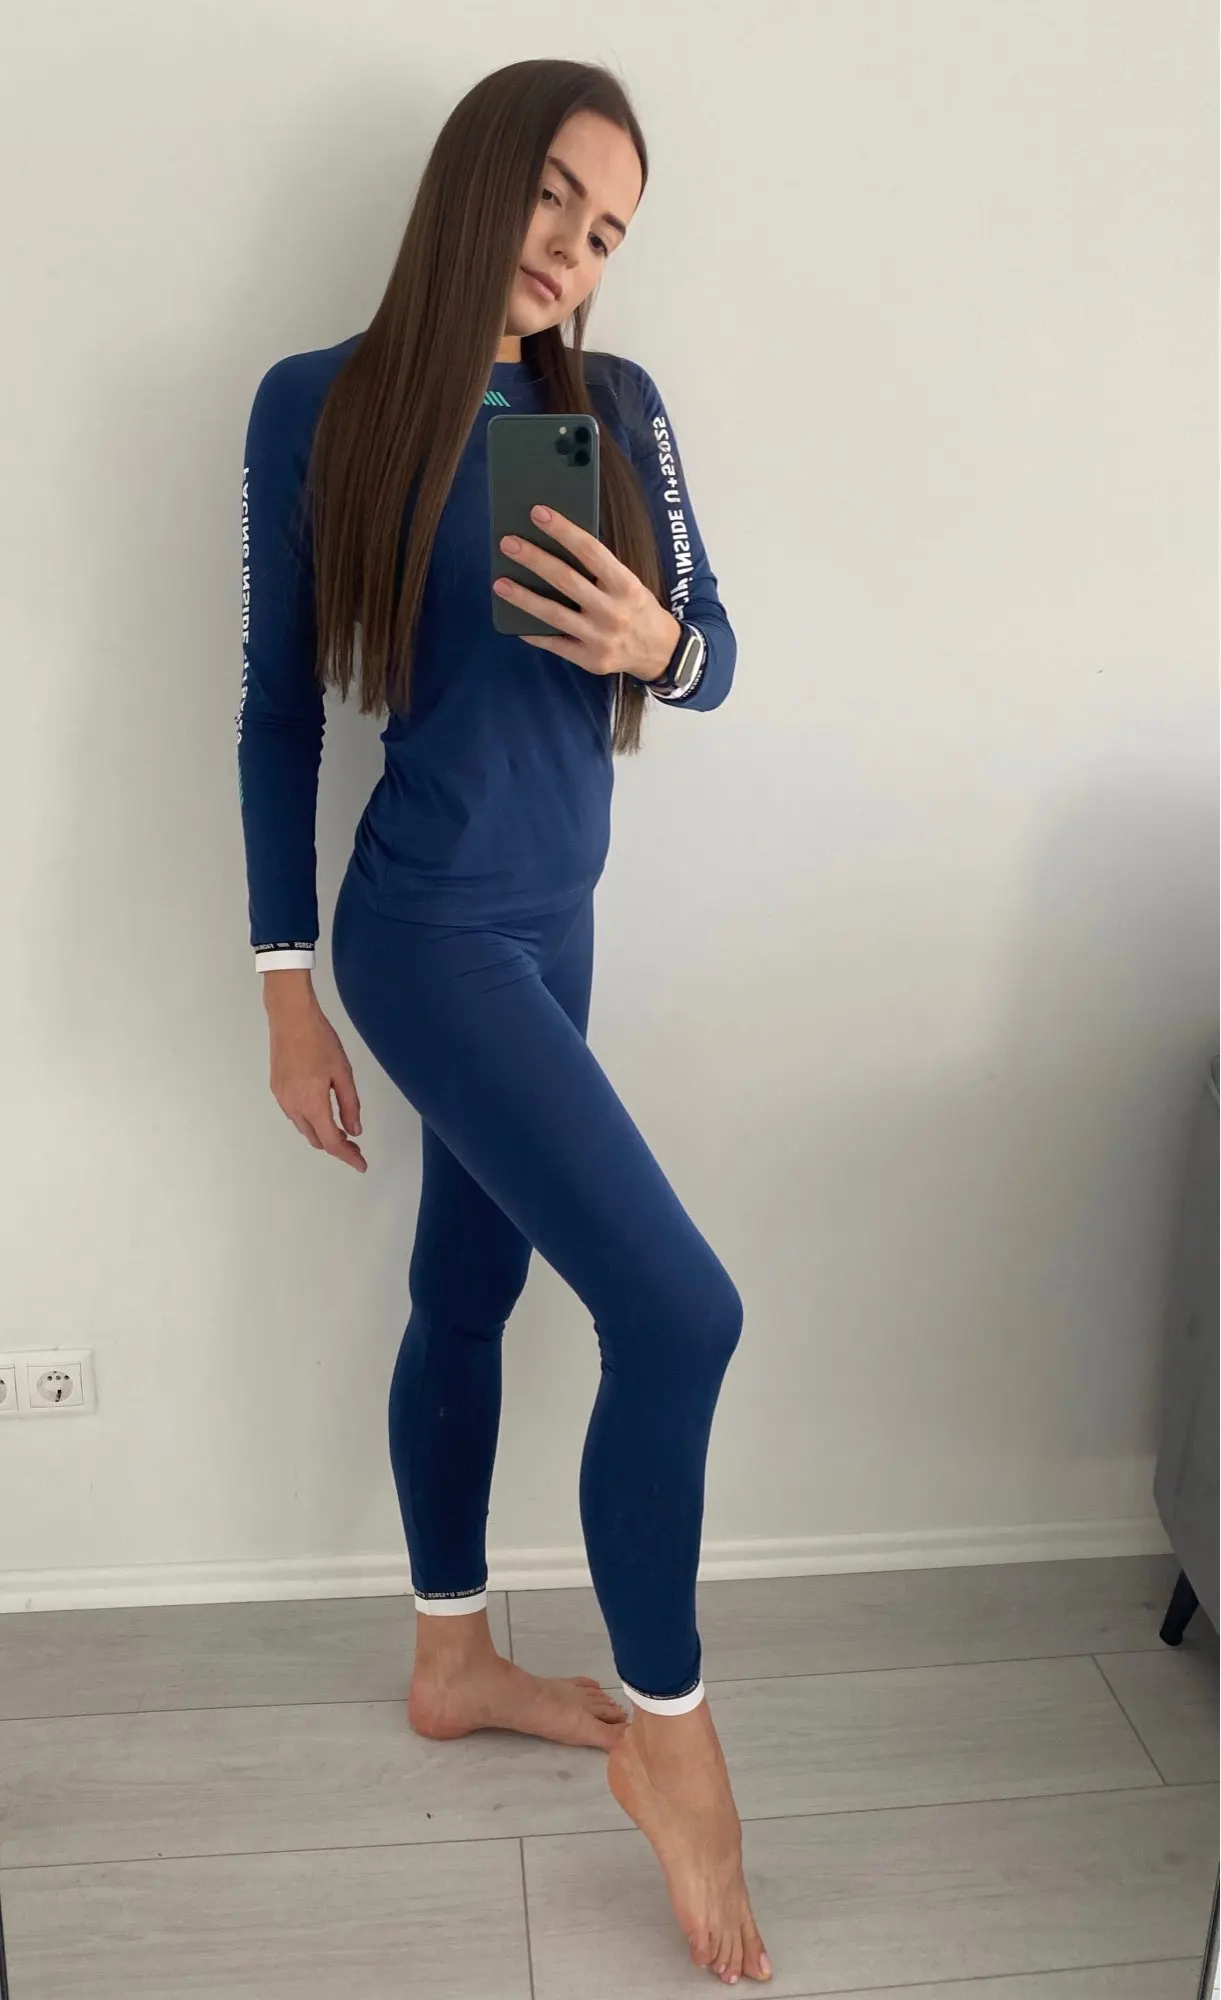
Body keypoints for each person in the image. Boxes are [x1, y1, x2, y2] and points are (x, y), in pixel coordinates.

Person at [236, 56, 771, 1989]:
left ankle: (451, 1661)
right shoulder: (321, 402)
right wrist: (286, 995)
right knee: (682, 1312)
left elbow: (715, 651)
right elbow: (278, 712)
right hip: (428, 932)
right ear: (478, 177)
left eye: (608, 229)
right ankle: (673, 1742)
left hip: (557, 922)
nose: (573, 248)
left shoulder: (605, 408)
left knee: (468, 1290)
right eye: (554, 195)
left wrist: (659, 646)